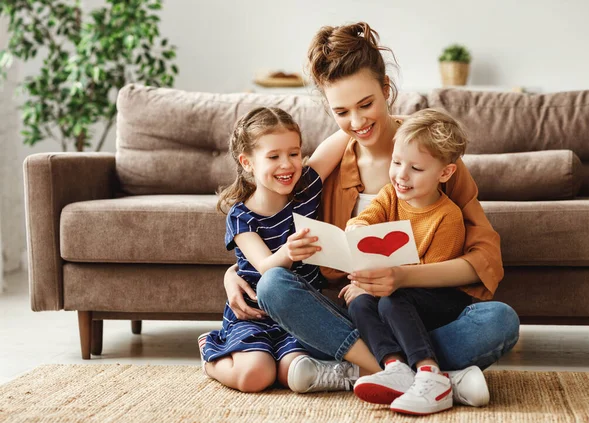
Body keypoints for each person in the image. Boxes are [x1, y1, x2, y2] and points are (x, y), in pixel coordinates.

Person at [223, 22, 520, 405]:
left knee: (500, 321)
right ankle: (428, 374)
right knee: (273, 287)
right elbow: (267, 226)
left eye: (366, 105)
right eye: (342, 112)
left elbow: (482, 258)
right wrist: (232, 274)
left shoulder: (432, 155)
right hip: (358, 315)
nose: (358, 122)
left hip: (424, 310)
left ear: (386, 91)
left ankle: (376, 368)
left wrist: (399, 277)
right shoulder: (326, 167)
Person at [198, 106, 369, 393]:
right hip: (254, 315)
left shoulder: (307, 188)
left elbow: (345, 132)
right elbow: (266, 267)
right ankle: (210, 355)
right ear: (247, 162)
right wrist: (289, 252)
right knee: (256, 376)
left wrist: (382, 117)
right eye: (274, 157)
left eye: (293, 153)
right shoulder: (241, 216)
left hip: (299, 316)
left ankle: (298, 364)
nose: (287, 164)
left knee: (297, 370)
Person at [342, 108, 478, 415]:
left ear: (445, 173)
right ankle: (397, 367)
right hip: (394, 295)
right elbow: (366, 218)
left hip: (436, 300)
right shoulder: (390, 195)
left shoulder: (448, 216)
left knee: (391, 301)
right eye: (396, 162)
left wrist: (378, 285)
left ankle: (432, 376)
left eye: (416, 168)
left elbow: (428, 280)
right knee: (358, 304)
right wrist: (357, 229)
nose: (401, 175)